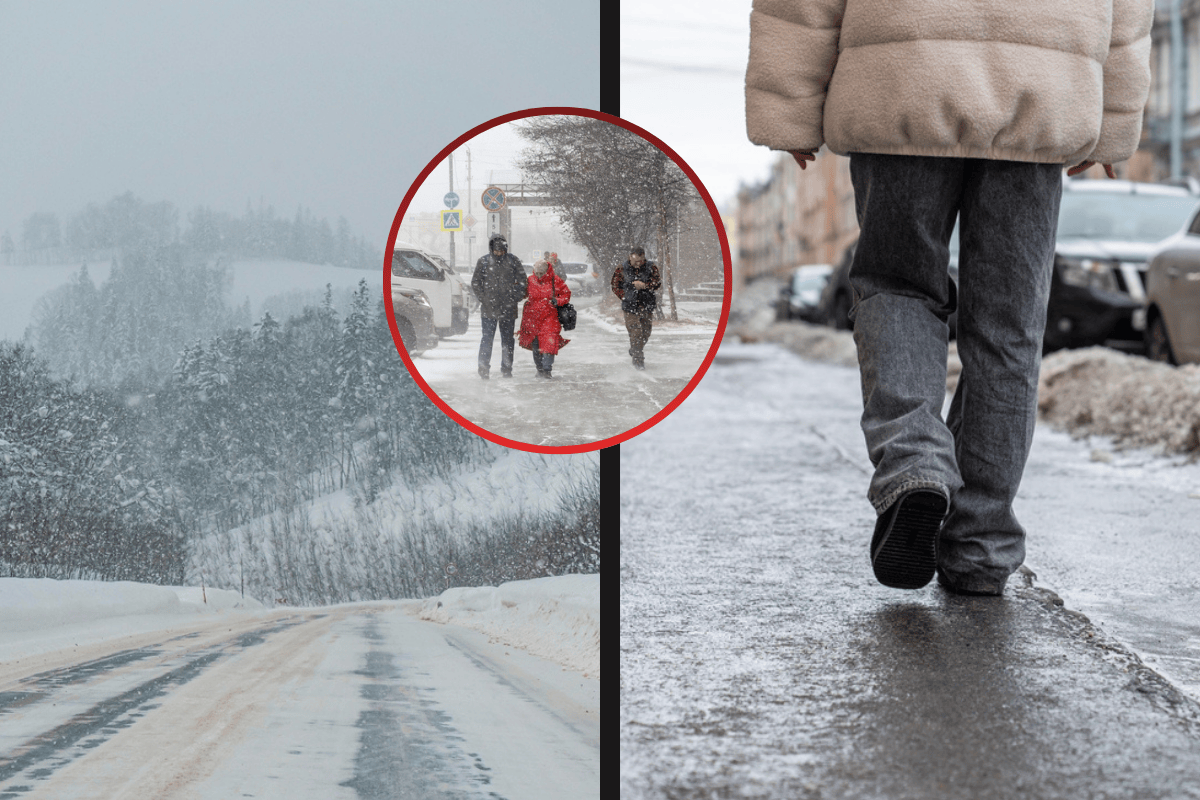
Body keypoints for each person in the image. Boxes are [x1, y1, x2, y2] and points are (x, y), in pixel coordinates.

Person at [746, 0, 1153, 595]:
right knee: (1008, 326)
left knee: (898, 286)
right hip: (1044, 81)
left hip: (901, 73)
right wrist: (1115, 118)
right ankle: (981, 544)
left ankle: (915, 464)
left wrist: (789, 104)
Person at [470, 234, 526, 379]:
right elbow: (475, 282)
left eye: (502, 251)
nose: (499, 253)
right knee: (487, 339)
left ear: (506, 249)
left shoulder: (513, 261)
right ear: (491, 249)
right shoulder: (483, 261)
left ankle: (507, 369)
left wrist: (514, 298)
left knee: (507, 341)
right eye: (496, 251)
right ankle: (483, 368)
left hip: (508, 308)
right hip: (489, 308)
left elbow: (523, 283)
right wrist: (484, 299)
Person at [519, 258, 571, 379]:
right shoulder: (530, 280)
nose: (538, 276)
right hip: (532, 317)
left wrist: (557, 301)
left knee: (549, 342)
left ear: (546, 272)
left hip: (550, 316)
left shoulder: (555, 280)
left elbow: (566, 294)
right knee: (536, 344)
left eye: (541, 273)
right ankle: (539, 368)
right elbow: (523, 294)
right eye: (536, 273)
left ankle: (547, 369)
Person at [611, 246, 661, 370]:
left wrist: (645, 285)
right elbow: (615, 285)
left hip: (646, 304)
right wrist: (625, 296)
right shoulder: (621, 268)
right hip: (630, 306)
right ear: (630, 257)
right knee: (636, 332)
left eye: (641, 261)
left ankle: (634, 349)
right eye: (636, 261)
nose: (638, 263)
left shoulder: (651, 267)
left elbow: (657, 283)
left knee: (646, 333)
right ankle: (638, 361)